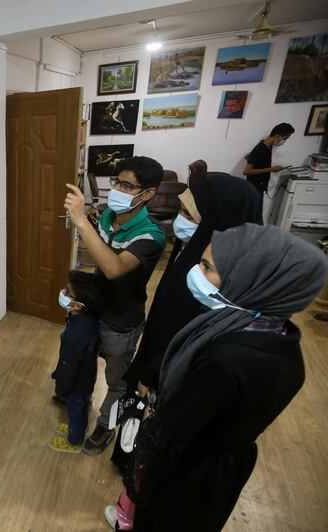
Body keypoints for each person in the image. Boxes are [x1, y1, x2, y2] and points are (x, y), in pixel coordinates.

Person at [106, 223, 328, 531]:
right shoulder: (285, 342)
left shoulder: (223, 361)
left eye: (207, 267)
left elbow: (170, 435)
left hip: (188, 473)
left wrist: (139, 481)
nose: (196, 272)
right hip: (223, 468)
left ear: (253, 280)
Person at [111, 173, 262, 474]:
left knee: (153, 446)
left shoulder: (218, 279)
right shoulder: (195, 252)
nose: (178, 220)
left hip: (169, 380)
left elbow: (185, 334)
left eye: (187, 214)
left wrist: (150, 378)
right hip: (157, 364)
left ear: (219, 219)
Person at [64, 156, 166, 456]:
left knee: (119, 383)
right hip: (96, 310)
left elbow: (113, 268)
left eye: (128, 185)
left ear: (147, 193)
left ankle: (106, 426)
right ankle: (78, 415)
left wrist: (82, 220)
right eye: (117, 182)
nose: (118, 189)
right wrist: (77, 292)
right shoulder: (108, 216)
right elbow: (98, 270)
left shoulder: (151, 235)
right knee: (83, 364)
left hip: (121, 323)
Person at [48, 271, 109, 453]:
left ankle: (73, 441)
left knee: (75, 409)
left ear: (80, 305)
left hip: (76, 382)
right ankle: (78, 430)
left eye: (68, 292)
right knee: (81, 406)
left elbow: (69, 363)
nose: (64, 293)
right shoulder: (89, 320)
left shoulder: (76, 334)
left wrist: (62, 387)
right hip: (86, 377)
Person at [243, 122, 294, 222]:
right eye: (285, 138)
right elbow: (247, 171)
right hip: (255, 188)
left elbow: (248, 157)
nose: (284, 141)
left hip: (259, 187)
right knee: (256, 219)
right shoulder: (261, 149)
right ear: (277, 136)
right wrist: (271, 169)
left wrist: (253, 158)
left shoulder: (267, 146)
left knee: (257, 218)